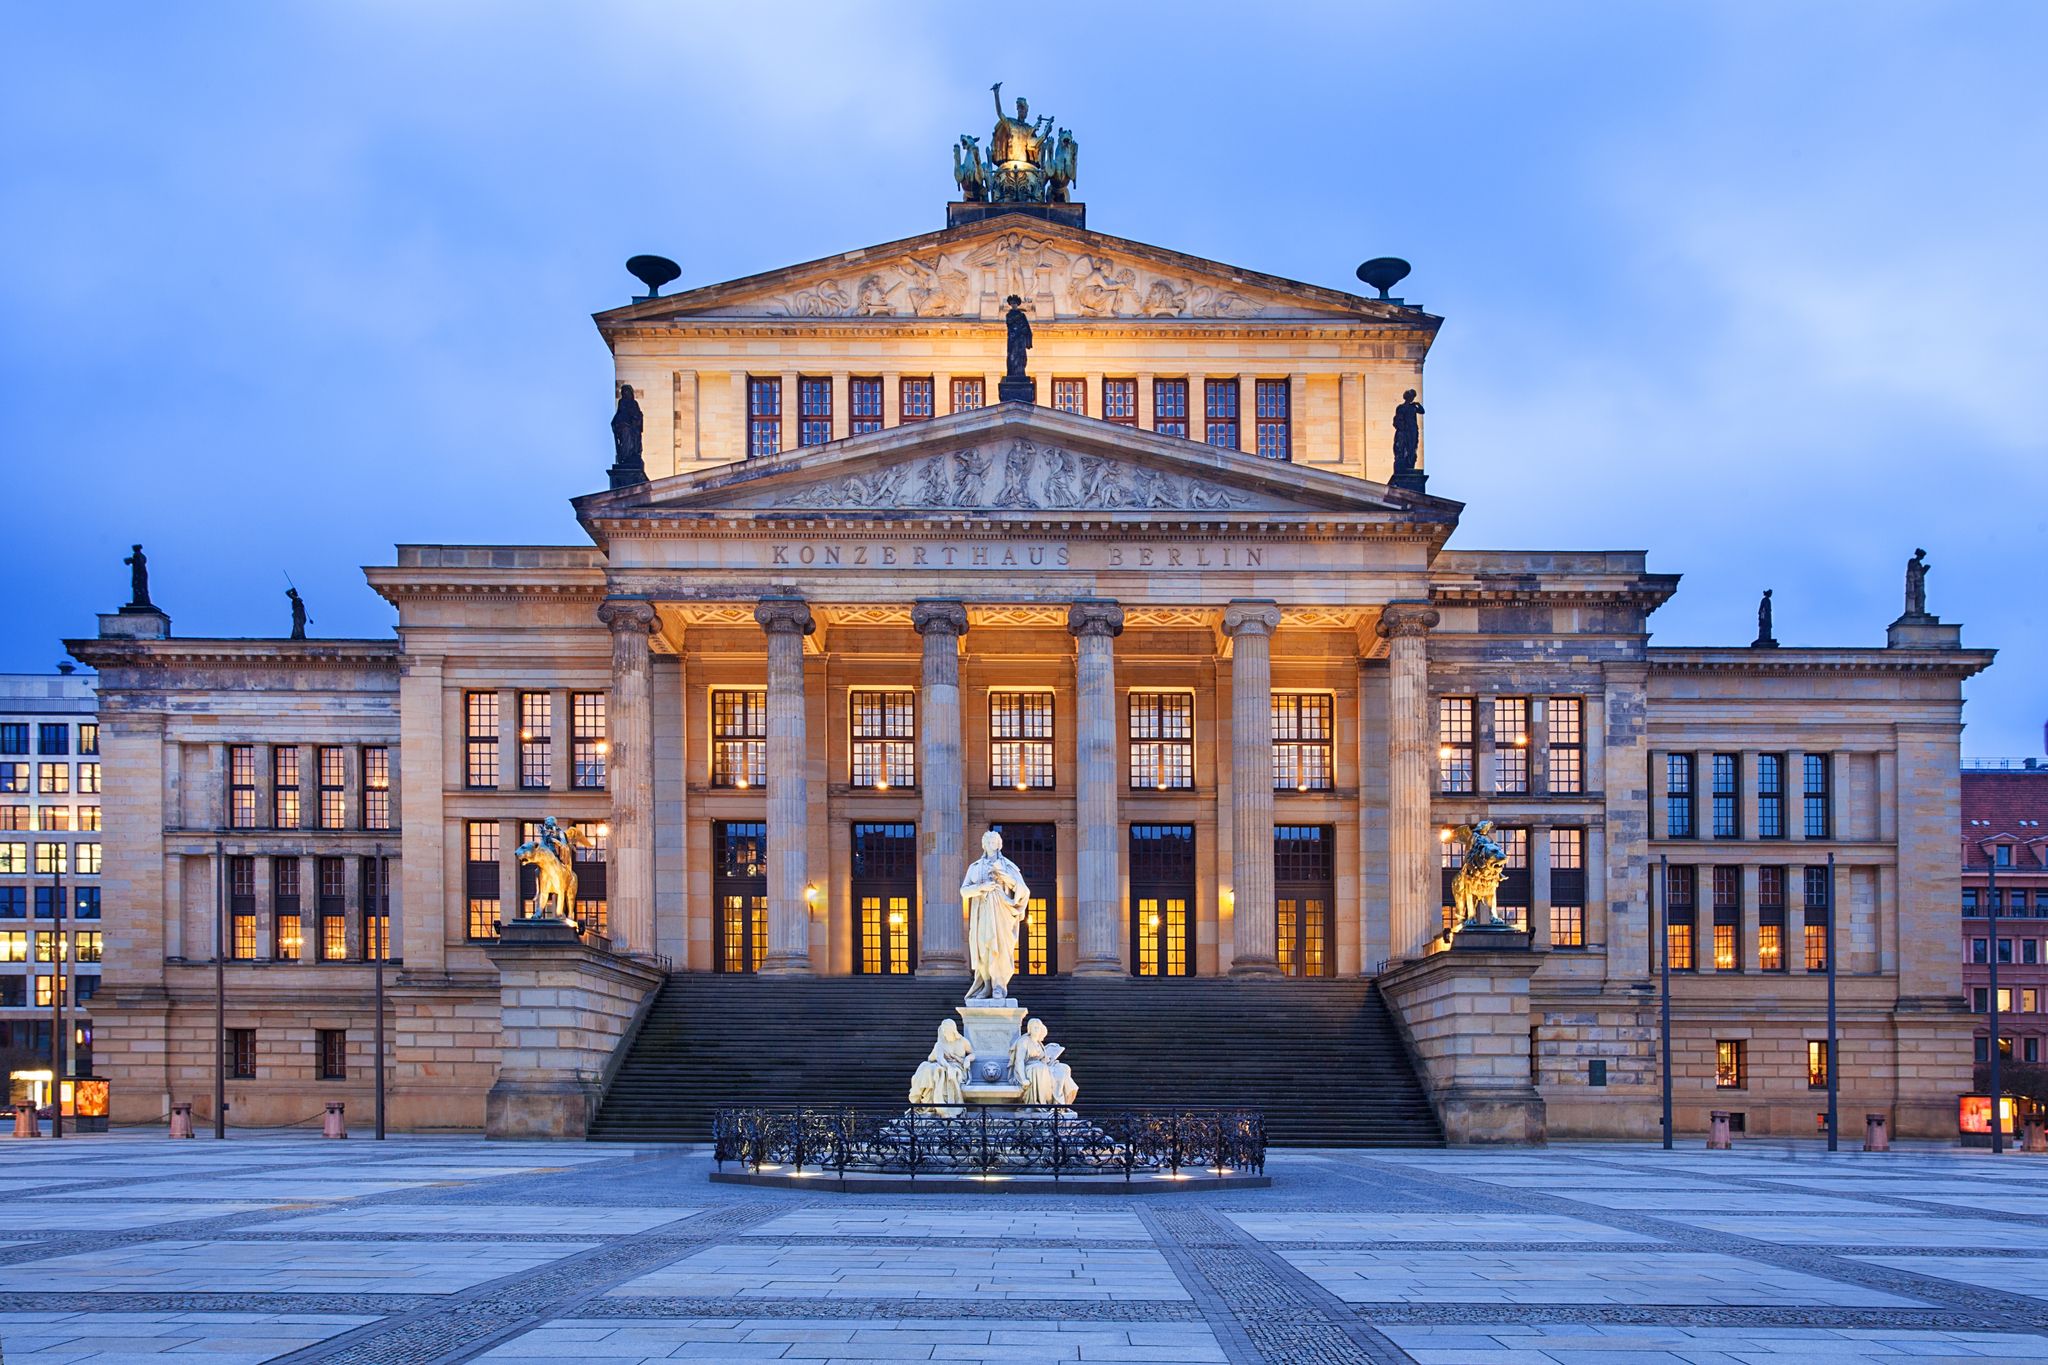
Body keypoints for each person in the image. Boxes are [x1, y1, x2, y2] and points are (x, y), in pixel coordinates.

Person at [908, 1020, 972, 1108]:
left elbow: (972, 1053)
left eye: (947, 1031)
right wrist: (948, 1067)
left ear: (953, 1030)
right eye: (944, 1031)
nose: (945, 1033)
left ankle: (933, 1103)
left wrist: (968, 1059)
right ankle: (928, 1101)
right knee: (930, 1068)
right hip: (944, 1065)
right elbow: (940, 1058)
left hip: (958, 1067)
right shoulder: (940, 1043)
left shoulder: (963, 1041)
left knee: (936, 1070)